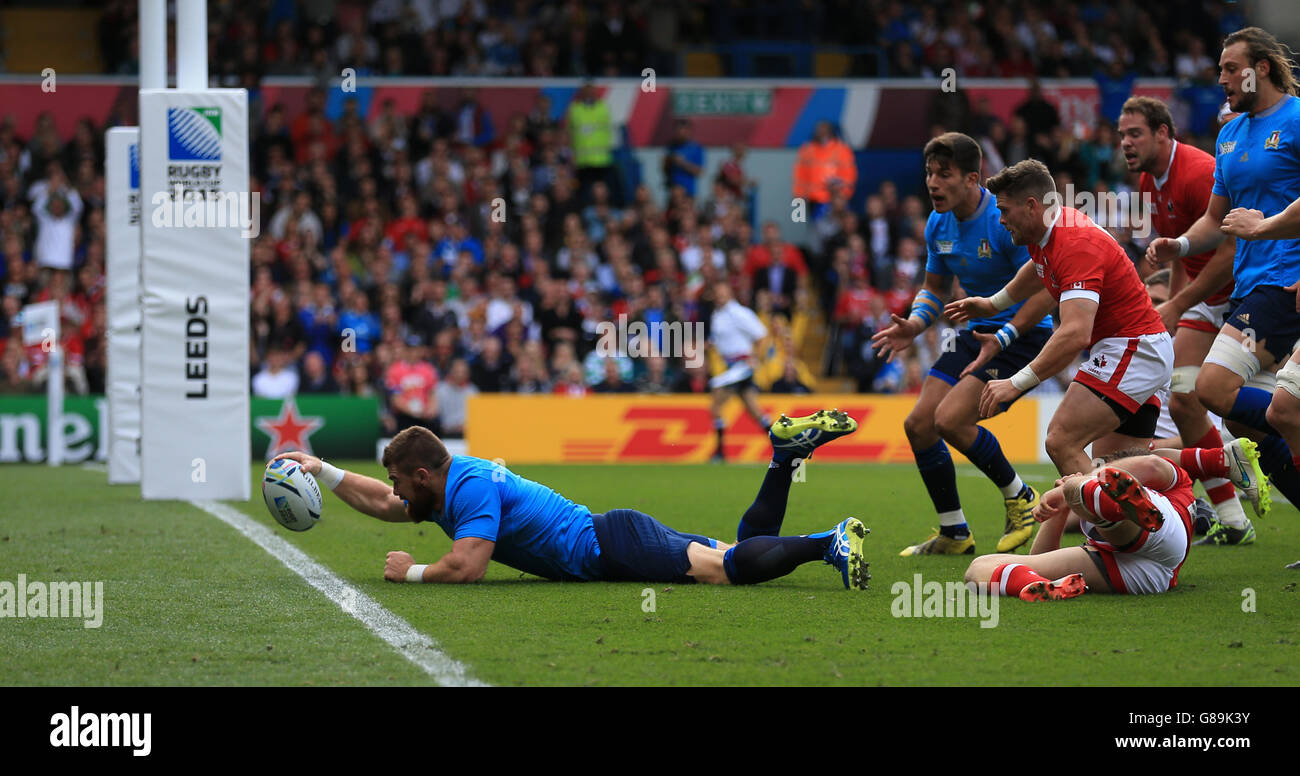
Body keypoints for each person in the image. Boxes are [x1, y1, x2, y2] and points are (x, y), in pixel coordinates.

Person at [272, 411, 869, 589]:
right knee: (736, 551)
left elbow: (469, 567)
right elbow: (381, 502)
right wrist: (321, 468)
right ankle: (784, 458)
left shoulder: (472, 487)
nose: (398, 493)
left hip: (612, 545)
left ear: (424, 474)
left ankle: (827, 542)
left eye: (403, 482)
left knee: (726, 572)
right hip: (614, 538)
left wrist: (412, 573)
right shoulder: (446, 490)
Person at [873, 133, 1057, 556]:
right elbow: (934, 288)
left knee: (950, 420)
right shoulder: (938, 224)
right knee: (919, 424)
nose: (933, 183)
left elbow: (1046, 285)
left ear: (974, 178)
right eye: (929, 173)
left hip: (1021, 334)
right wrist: (915, 324)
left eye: (944, 174)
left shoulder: (1003, 218)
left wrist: (1007, 331)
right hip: (973, 336)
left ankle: (1020, 495)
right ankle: (954, 532)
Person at [1151, 28, 1300, 546]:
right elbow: (1217, 220)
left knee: (1211, 389)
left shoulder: (1297, 119)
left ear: (1258, 68)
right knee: (1255, 425)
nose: (1220, 80)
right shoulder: (1230, 134)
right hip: (1251, 282)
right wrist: (1182, 246)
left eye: (1228, 68)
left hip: (1287, 278)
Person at [947, 159, 1173, 477]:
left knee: (1061, 441)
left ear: (1030, 206)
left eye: (1005, 210)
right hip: (1133, 349)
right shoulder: (1050, 232)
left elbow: (1075, 333)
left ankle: (1192, 479)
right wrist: (993, 304)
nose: (1000, 220)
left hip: (1133, 349)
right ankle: (1212, 466)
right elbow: (1037, 270)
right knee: (1115, 472)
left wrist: (1016, 382)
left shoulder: (1074, 242)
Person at [1118, 95, 1255, 544]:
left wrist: (1178, 305)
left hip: (1241, 296)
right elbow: (1180, 250)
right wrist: (1175, 309)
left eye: (1134, 133)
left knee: (1248, 415)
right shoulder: (1147, 181)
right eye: (1121, 135)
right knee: (1183, 399)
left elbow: (1228, 252)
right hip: (1203, 304)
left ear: (1163, 132)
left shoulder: (1197, 172)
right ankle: (1234, 521)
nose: (1125, 142)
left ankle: (1260, 462)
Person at [966, 440, 1267, 600]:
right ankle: (1045, 587)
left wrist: (1071, 488)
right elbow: (1041, 558)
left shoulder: (1173, 481)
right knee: (977, 571)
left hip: (1163, 530)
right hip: (1133, 570)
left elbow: (1150, 463)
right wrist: (1057, 515)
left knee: (1083, 490)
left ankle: (1113, 508)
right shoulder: (1094, 497)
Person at [707, 281, 771, 463]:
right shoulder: (717, 314)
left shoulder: (740, 313)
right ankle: (783, 445)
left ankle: (720, 452)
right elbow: (721, 339)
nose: (719, 296)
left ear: (730, 293)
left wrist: (756, 358)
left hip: (740, 367)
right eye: (717, 293)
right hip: (730, 367)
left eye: (722, 293)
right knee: (755, 411)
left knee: (716, 405)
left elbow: (762, 335)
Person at [792, 120, 857, 217]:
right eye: (819, 130)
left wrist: (843, 195)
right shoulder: (807, 150)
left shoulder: (842, 149)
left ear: (830, 132)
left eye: (825, 130)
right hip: (813, 199)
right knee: (815, 228)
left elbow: (849, 175)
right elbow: (800, 176)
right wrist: (799, 197)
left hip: (836, 199)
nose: (822, 133)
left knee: (837, 228)